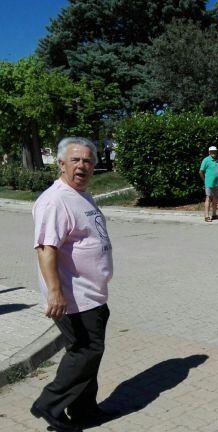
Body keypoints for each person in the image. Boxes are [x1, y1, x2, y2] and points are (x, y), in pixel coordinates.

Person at [31, 137, 115, 432]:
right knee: (85, 351)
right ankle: (49, 404)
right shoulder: (55, 200)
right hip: (73, 296)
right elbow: (45, 248)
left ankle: (84, 410)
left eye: (88, 161)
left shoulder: (81, 195)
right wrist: (55, 292)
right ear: (61, 163)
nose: (82, 166)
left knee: (90, 352)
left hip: (92, 293)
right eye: (76, 160)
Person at [199, 146, 218, 222]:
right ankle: (206, 216)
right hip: (209, 183)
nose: (213, 152)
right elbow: (201, 171)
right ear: (209, 152)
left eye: (215, 151)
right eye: (212, 151)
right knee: (208, 198)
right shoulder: (206, 160)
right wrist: (204, 180)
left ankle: (214, 214)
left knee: (215, 199)